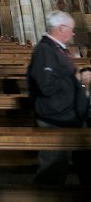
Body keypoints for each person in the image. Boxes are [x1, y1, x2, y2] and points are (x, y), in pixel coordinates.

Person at [27, 10, 91, 184]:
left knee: (80, 163)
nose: (73, 33)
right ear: (61, 28)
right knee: (52, 169)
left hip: (67, 116)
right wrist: (77, 78)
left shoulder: (56, 48)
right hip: (54, 118)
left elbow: (60, 74)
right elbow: (46, 86)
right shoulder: (44, 50)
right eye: (71, 29)